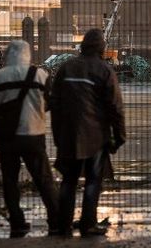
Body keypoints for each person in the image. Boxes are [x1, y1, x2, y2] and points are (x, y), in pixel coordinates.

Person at [50, 28, 126, 237]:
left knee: (69, 180)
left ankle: (63, 225)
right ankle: (88, 224)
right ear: (102, 48)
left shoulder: (66, 68)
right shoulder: (104, 71)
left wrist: (58, 134)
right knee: (93, 180)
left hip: (67, 134)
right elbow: (115, 107)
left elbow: (54, 102)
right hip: (95, 136)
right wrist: (119, 136)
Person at [0, 40, 59, 238]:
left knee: (10, 181)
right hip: (33, 135)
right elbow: (50, 103)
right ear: (28, 54)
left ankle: (17, 222)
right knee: (44, 180)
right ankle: (55, 220)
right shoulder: (40, 75)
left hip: (7, 139)